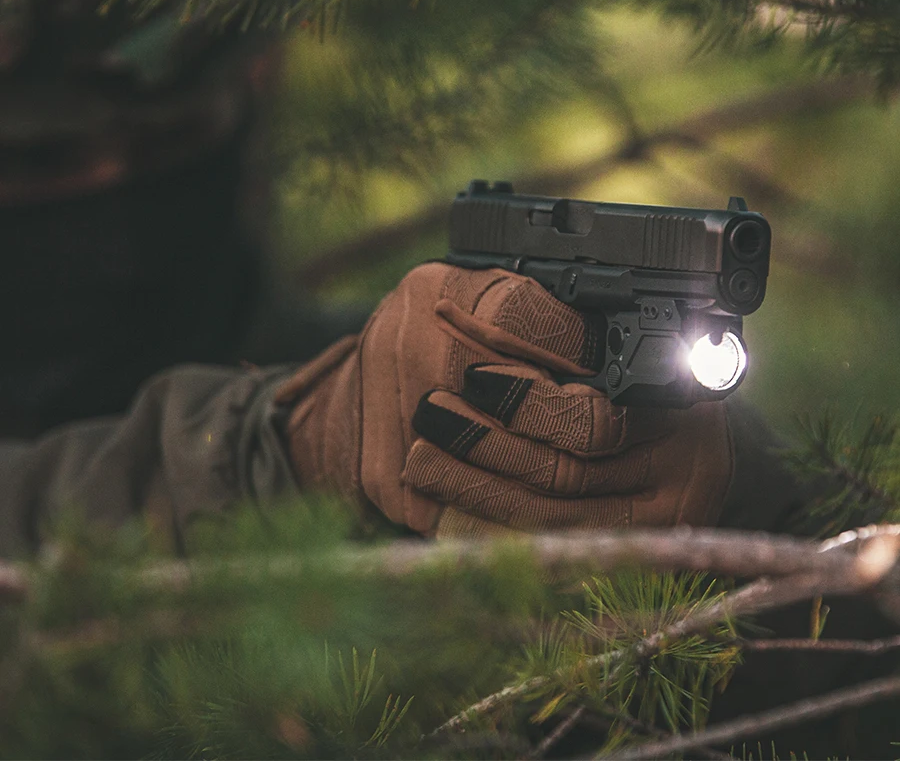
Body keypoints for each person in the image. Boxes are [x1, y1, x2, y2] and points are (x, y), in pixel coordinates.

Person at [0, 261, 809, 557]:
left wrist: (732, 489)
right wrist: (292, 451)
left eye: (170, 133)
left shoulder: (314, 328)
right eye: (49, 156)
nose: (111, 178)